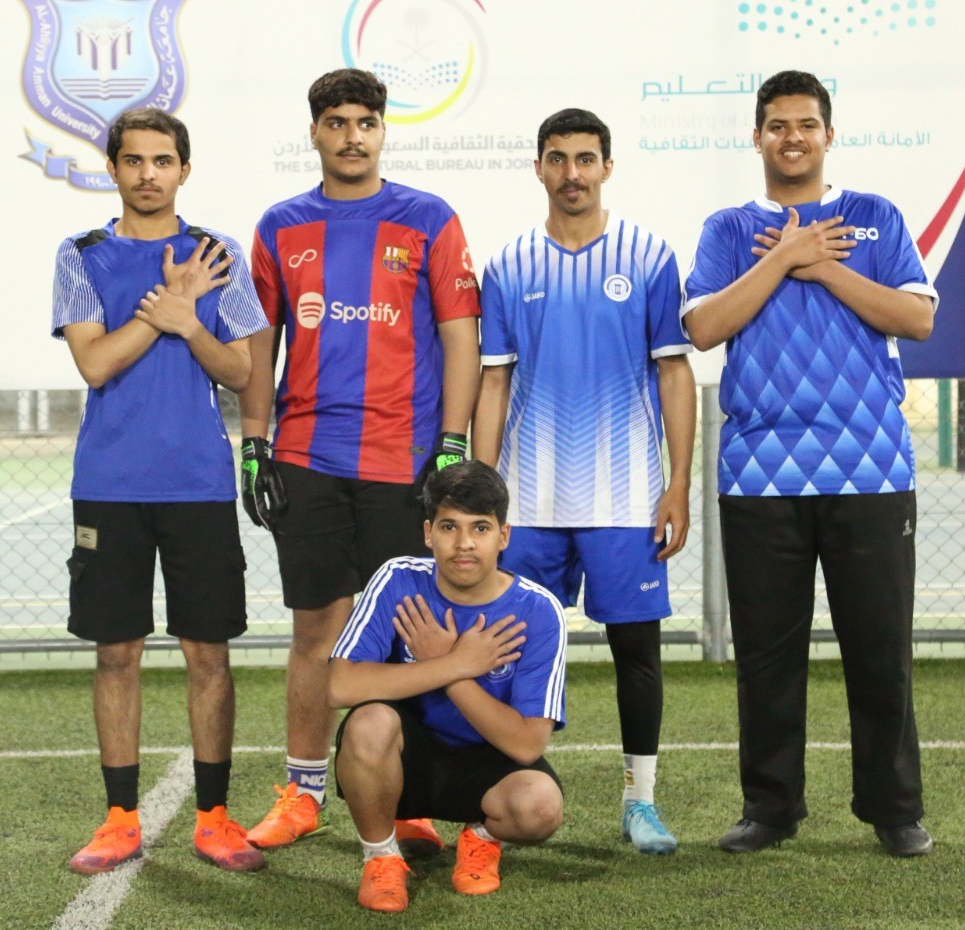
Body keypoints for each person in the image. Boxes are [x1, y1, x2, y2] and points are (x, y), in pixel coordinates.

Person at [680, 70, 937, 858]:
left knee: (880, 653)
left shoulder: (874, 218)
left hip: (870, 473)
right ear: (756, 136)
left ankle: (894, 810)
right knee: (766, 658)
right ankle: (771, 808)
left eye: (806, 124)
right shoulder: (729, 229)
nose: (792, 137)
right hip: (760, 477)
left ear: (829, 134)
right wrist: (784, 256)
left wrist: (823, 266)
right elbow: (703, 328)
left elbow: (917, 318)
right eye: (778, 125)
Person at [239, 68, 482, 852]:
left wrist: (452, 443)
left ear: (383, 130)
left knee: (407, 635)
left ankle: (405, 796)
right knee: (315, 630)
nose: (352, 136)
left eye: (366, 122)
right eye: (337, 122)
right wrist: (253, 441)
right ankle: (303, 790)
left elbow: (460, 337)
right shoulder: (280, 226)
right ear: (314, 132)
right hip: (307, 459)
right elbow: (259, 343)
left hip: (402, 466)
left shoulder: (429, 219)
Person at [51, 106, 269, 875]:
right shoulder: (81, 255)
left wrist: (193, 321)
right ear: (113, 168)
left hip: (197, 484)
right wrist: (164, 311)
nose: (149, 174)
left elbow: (241, 371)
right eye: (134, 160)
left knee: (209, 654)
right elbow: (96, 363)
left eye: (163, 160)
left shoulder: (218, 254)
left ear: (184, 169)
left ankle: (215, 818)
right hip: (109, 485)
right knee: (117, 653)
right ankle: (119, 820)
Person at [473, 108, 696, 855]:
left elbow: (674, 372)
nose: (572, 173)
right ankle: (500, 794)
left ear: (607, 167)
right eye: (558, 158)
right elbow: (494, 381)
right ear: (538, 167)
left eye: (586, 159)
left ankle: (641, 802)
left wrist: (677, 483)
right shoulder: (510, 265)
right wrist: (484, 492)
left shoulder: (649, 255)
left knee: (637, 652)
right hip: (528, 499)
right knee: (504, 652)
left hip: (626, 497)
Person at [328, 459, 566, 913]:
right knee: (369, 722)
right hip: (405, 760)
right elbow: (340, 686)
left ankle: (482, 838)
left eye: (481, 528)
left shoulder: (538, 610)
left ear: (504, 536)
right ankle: (382, 858)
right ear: (428, 533)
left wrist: (452, 670)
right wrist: (455, 663)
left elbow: (526, 744)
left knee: (539, 807)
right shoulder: (398, 579)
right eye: (449, 526)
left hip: (488, 764)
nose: (464, 543)